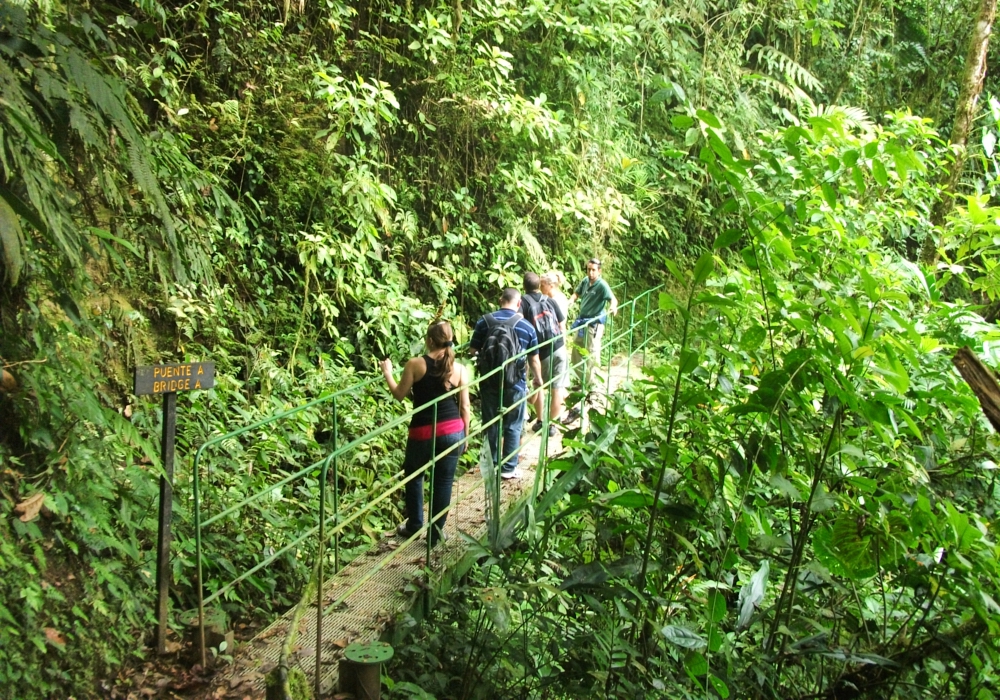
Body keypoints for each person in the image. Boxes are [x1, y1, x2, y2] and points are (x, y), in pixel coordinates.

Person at [380, 320, 470, 545]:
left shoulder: (415, 364)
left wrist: (387, 373)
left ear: (429, 340)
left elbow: (400, 394)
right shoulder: (459, 369)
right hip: (452, 431)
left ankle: (415, 524)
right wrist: (465, 436)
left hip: (422, 432)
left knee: (414, 475)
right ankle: (435, 534)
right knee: (443, 482)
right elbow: (464, 407)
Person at [470, 288, 544, 479]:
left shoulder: (484, 321)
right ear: (519, 304)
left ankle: (492, 464)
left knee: (491, 422)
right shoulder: (527, 326)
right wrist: (538, 378)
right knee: (513, 424)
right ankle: (509, 467)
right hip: (515, 383)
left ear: (500, 300)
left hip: (489, 382)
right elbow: (534, 359)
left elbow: (473, 350)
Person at [520, 272, 567, 436]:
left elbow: (518, 323)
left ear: (524, 286)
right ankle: (552, 425)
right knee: (557, 387)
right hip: (560, 347)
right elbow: (562, 325)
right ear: (539, 285)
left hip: (541, 352)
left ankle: (540, 421)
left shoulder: (523, 302)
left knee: (539, 384)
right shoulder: (550, 300)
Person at [568, 258, 618, 404]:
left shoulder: (602, 285)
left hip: (593, 324)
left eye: (593, 270)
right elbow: (576, 293)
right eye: (589, 269)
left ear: (599, 271)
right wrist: (571, 300)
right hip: (582, 322)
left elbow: (613, 299)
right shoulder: (585, 281)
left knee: (591, 354)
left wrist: (613, 307)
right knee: (576, 351)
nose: (590, 272)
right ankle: (581, 380)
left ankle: (591, 388)